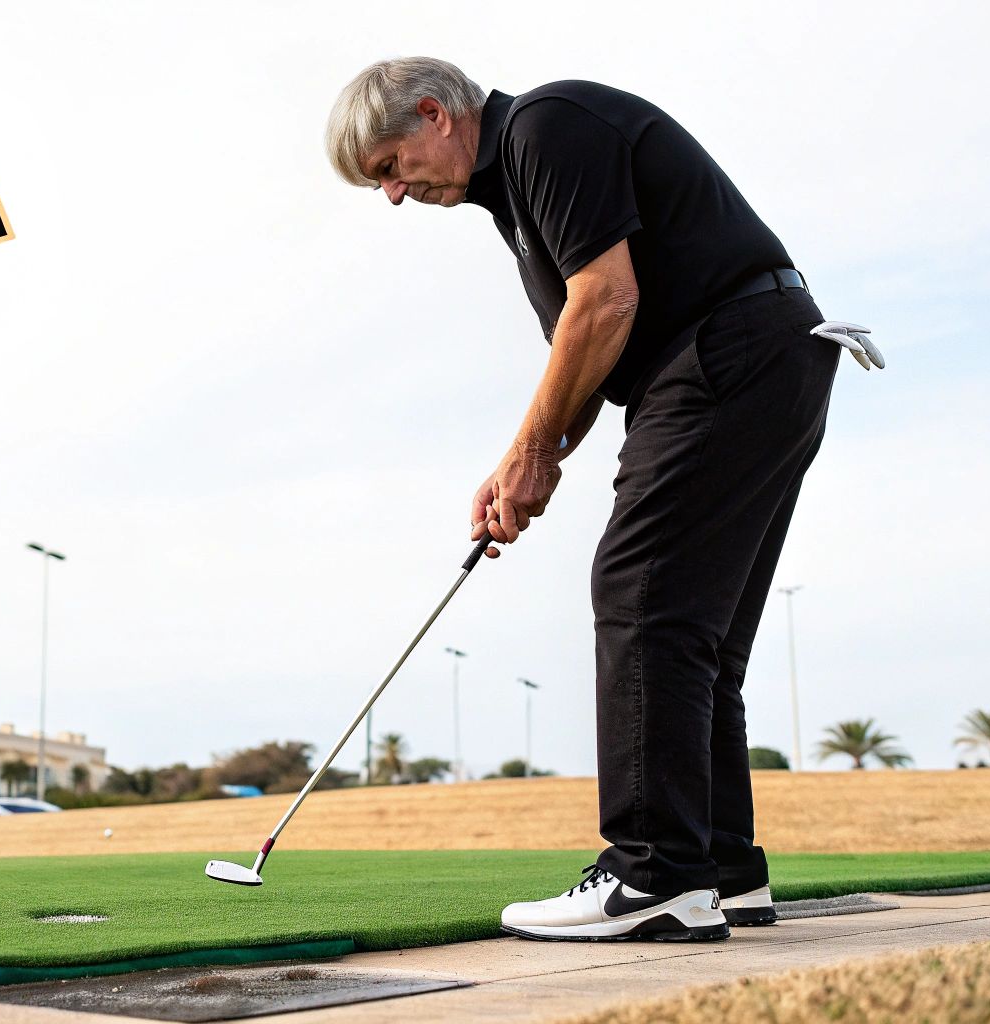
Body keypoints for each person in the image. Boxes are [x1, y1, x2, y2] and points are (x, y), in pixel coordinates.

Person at [325, 58, 877, 941]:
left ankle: (652, 873)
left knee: (640, 597)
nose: (392, 195)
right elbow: (590, 357)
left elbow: (606, 301)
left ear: (435, 115)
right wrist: (526, 469)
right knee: (696, 634)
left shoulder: (546, 128)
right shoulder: (516, 192)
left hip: (729, 353)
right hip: (761, 359)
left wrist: (532, 450)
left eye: (390, 165)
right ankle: (721, 871)